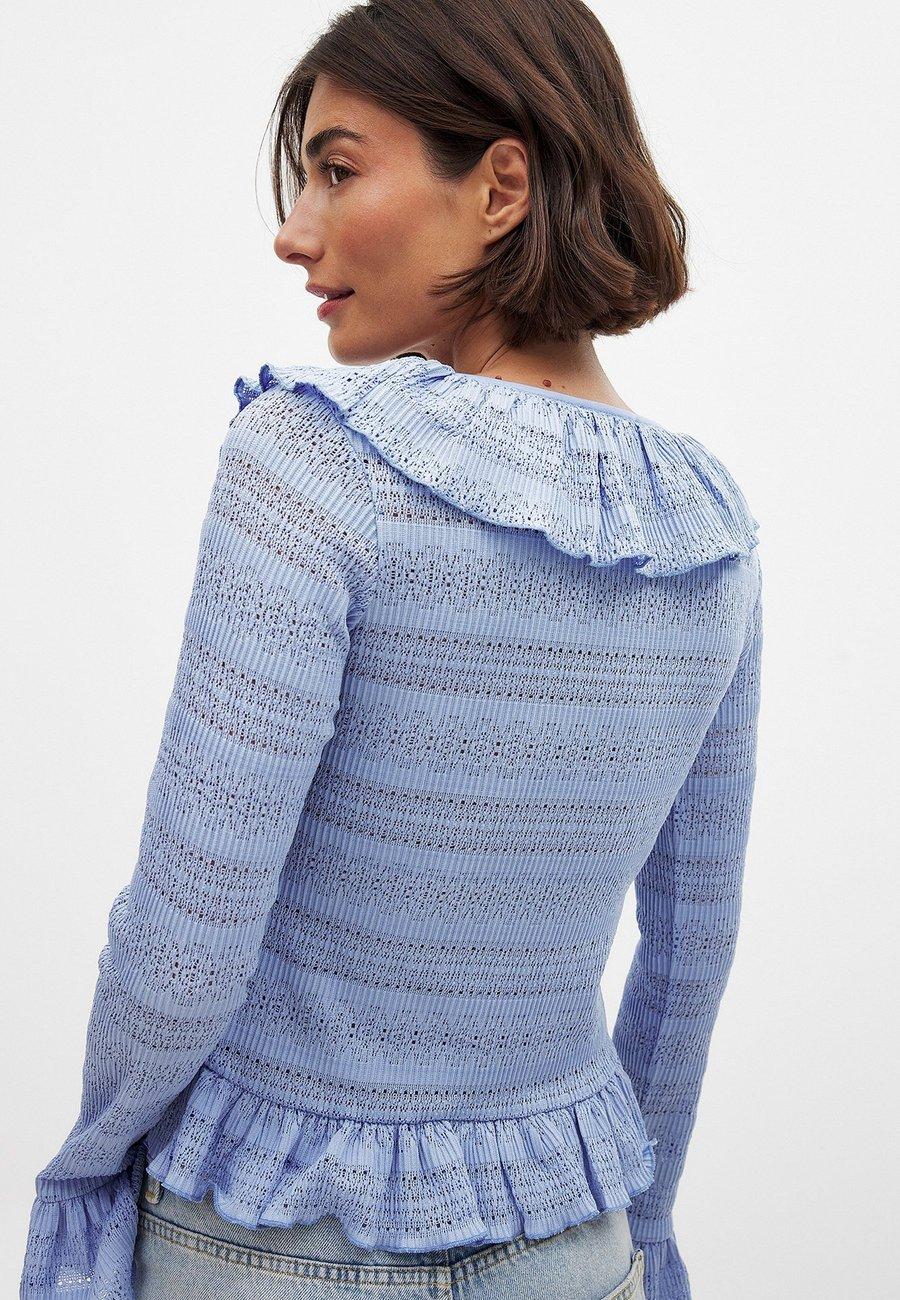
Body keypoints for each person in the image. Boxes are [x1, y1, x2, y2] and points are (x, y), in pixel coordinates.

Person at [19, 2, 763, 1298]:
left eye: (337, 169)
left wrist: (90, 1160)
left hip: (274, 1232)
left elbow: (190, 927)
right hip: (572, 1247)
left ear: (500, 188)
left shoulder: (310, 465)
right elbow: (691, 954)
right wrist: (640, 1227)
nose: (293, 229)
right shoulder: (708, 530)